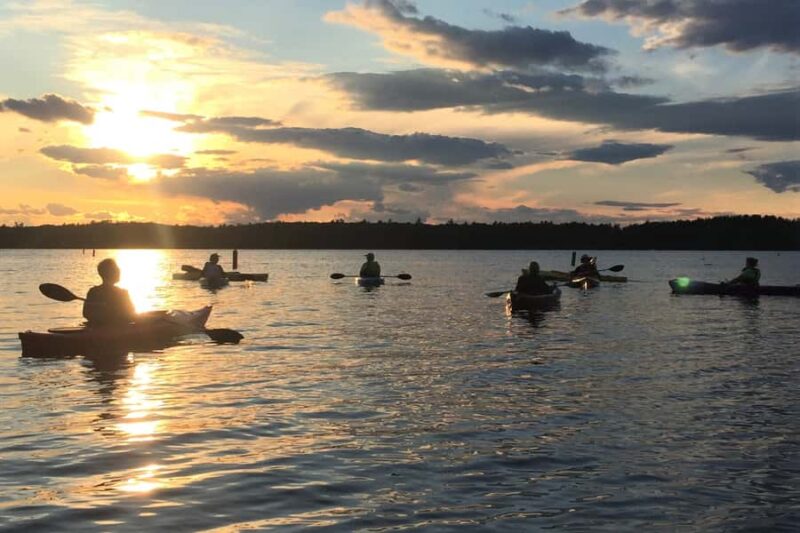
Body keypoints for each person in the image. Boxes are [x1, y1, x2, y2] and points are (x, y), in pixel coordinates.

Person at [83, 258, 136, 326]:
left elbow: (86, 314)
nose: (119, 271)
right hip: (118, 331)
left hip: (96, 329)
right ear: (112, 272)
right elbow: (131, 314)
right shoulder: (122, 293)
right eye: (117, 269)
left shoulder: (93, 291)